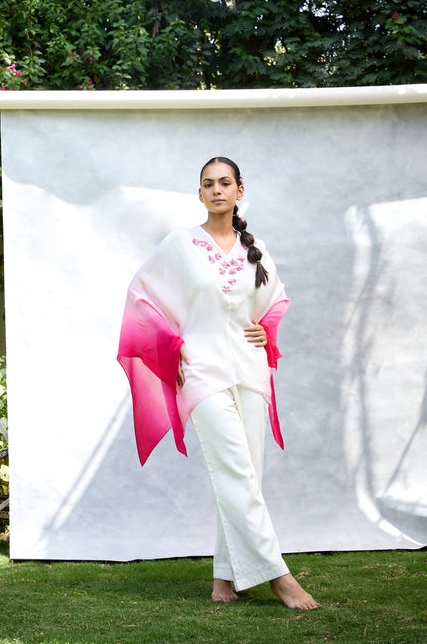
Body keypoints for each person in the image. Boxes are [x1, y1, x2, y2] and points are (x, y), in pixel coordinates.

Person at [117, 157, 320, 609]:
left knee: (247, 475)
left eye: (224, 183)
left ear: (239, 189)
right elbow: (142, 296)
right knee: (233, 470)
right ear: (200, 193)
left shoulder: (256, 248)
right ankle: (279, 577)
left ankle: (224, 577)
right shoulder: (181, 244)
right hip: (202, 370)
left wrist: (266, 329)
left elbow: (276, 299)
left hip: (249, 369)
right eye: (208, 184)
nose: (216, 190)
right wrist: (171, 345)